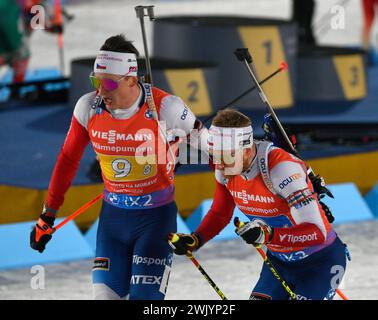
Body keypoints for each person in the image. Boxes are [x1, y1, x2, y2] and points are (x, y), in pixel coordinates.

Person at [29, 34, 208, 300]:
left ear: (131, 80)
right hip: (113, 221)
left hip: (155, 223)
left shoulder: (166, 107)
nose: (101, 91)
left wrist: (180, 152)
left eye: (109, 83)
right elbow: (68, 160)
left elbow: (213, 148)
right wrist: (47, 215)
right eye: (95, 82)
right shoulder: (88, 107)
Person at [169, 108, 349, 300]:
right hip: (279, 264)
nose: (219, 165)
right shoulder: (226, 168)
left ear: (246, 150)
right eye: (214, 155)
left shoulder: (281, 169)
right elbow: (220, 213)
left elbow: (316, 232)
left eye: (225, 156)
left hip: (320, 263)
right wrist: (196, 240)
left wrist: (269, 235)